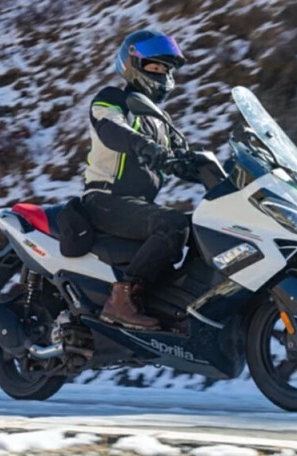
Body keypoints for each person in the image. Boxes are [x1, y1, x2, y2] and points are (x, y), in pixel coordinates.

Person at [82, 29, 201, 331]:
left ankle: (187, 307)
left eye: (166, 69)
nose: (161, 74)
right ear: (132, 64)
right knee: (173, 224)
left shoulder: (161, 121)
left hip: (136, 206)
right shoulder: (113, 99)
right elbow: (111, 129)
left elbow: (186, 158)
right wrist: (144, 146)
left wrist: (225, 172)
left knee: (205, 226)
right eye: (154, 66)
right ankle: (120, 301)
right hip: (105, 200)